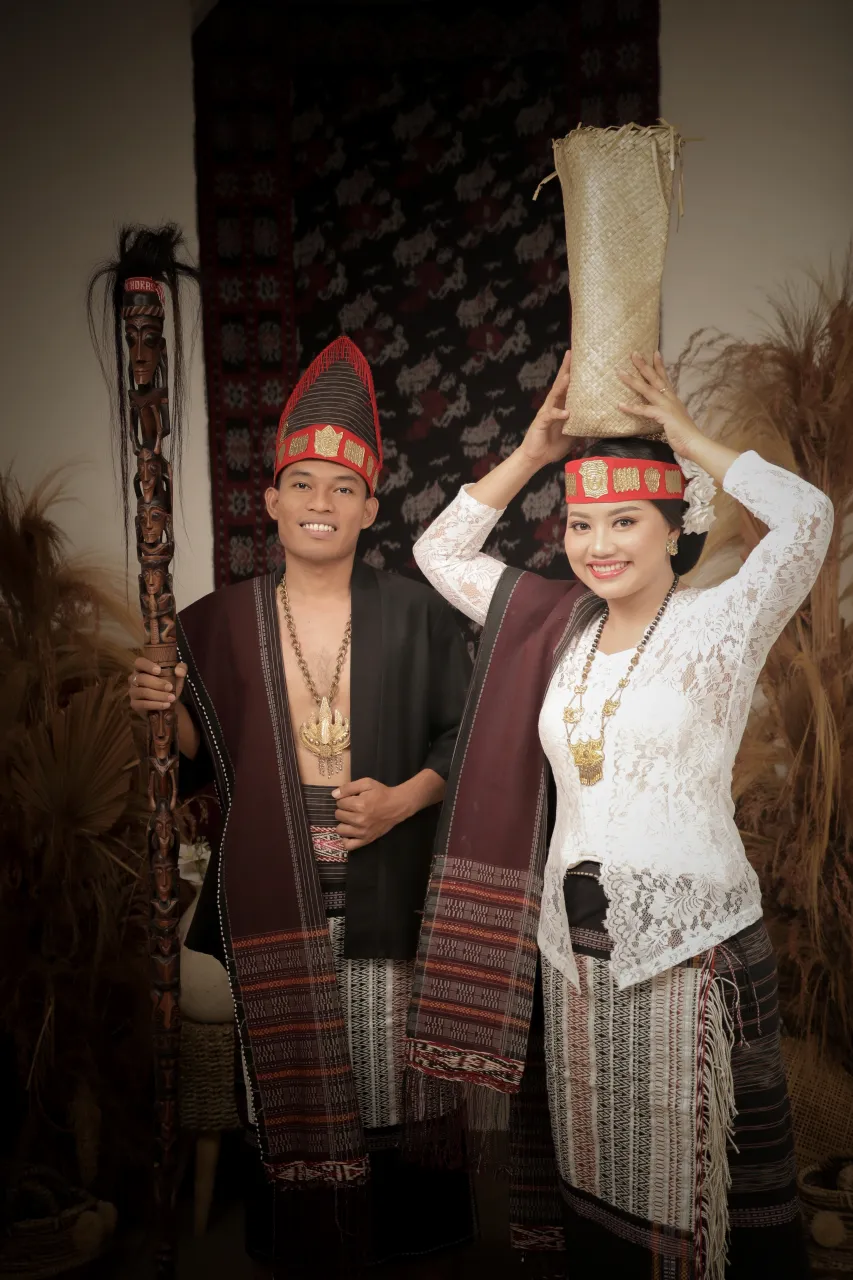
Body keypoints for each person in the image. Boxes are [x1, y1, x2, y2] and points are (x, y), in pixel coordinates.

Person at [406, 349, 833, 1278]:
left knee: (713, 1195)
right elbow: (436, 553)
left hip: (693, 947)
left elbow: (808, 517)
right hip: (572, 953)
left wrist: (684, 434)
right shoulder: (549, 626)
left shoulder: (723, 622)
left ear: (674, 528)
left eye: (625, 520)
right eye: (580, 523)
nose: (597, 543)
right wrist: (530, 452)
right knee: (600, 1182)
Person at [129, 336, 474, 1277]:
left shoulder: (417, 612)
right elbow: (196, 759)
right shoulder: (212, 621)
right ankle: (307, 1249)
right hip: (268, 881)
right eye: (303, 483)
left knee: (385, 1077)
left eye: (342, 487)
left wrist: (402, 800)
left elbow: (467, 735)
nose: (321, 501)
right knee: (287, 1086)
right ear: (272, 499)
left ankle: (403, 1251)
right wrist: (159, 708)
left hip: (386, 876)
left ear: (370, 507)